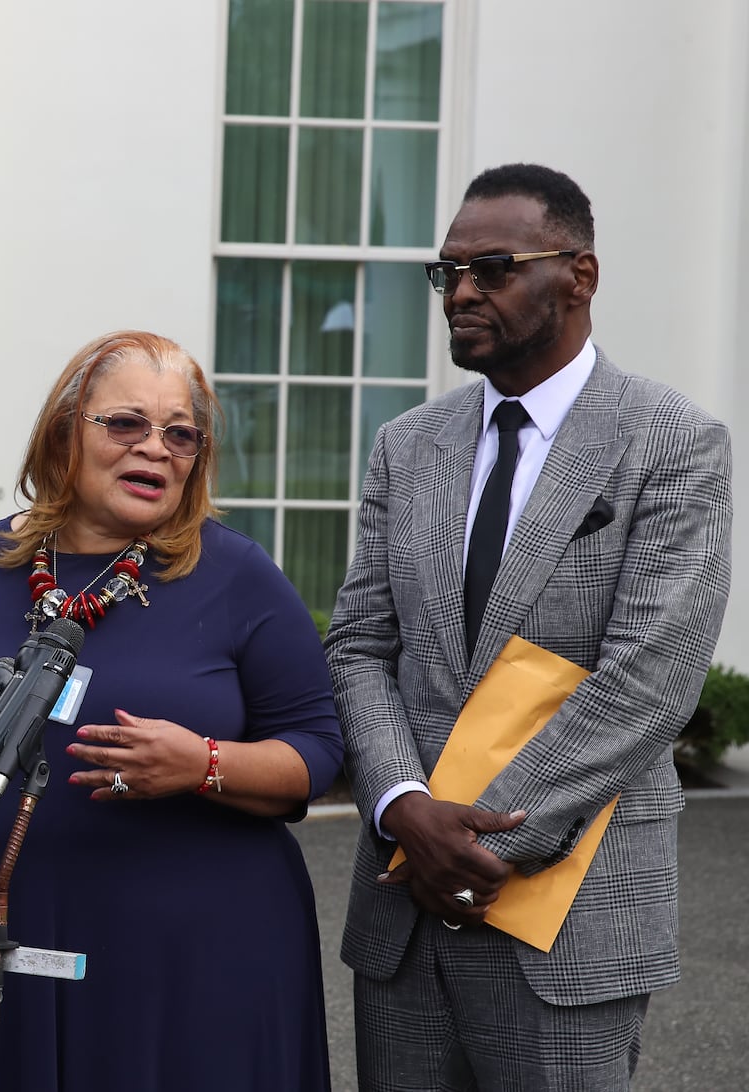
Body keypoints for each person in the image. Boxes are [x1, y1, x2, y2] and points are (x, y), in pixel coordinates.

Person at [325, 163, 733, 1090]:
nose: (461, 293)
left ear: (579, 275)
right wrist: (402, 808)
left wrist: (478, 843)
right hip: (404, 916)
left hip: (570, 915)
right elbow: (359, 647)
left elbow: (650, 683)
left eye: (494, 268)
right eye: (448, 273)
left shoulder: (672, 440)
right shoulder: (407, 445)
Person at [0, 330, 344, 1090]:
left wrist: (203, 765)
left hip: (193, 954)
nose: (157, 447)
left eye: (181, 433)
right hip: (1, 934)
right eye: (127, 423)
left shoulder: (236, 574)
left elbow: (317, 752)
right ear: (64, 431)